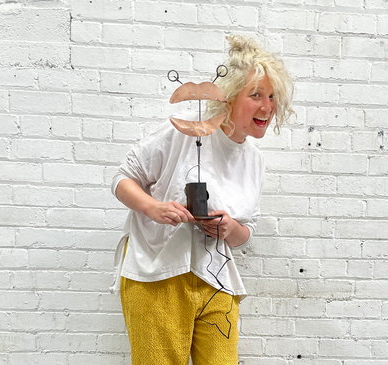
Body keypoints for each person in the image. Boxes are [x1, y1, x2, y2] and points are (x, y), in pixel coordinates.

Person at [110, 34, 294, 365]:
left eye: (272, 96)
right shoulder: (184, 133)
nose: (267, 106)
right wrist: (153, 208)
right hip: (158, 274)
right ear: (230, 97)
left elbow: (245, 231)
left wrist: (229, 228)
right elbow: (123, 179)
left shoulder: (254, 161)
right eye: (256, 95)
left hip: (216, 279)